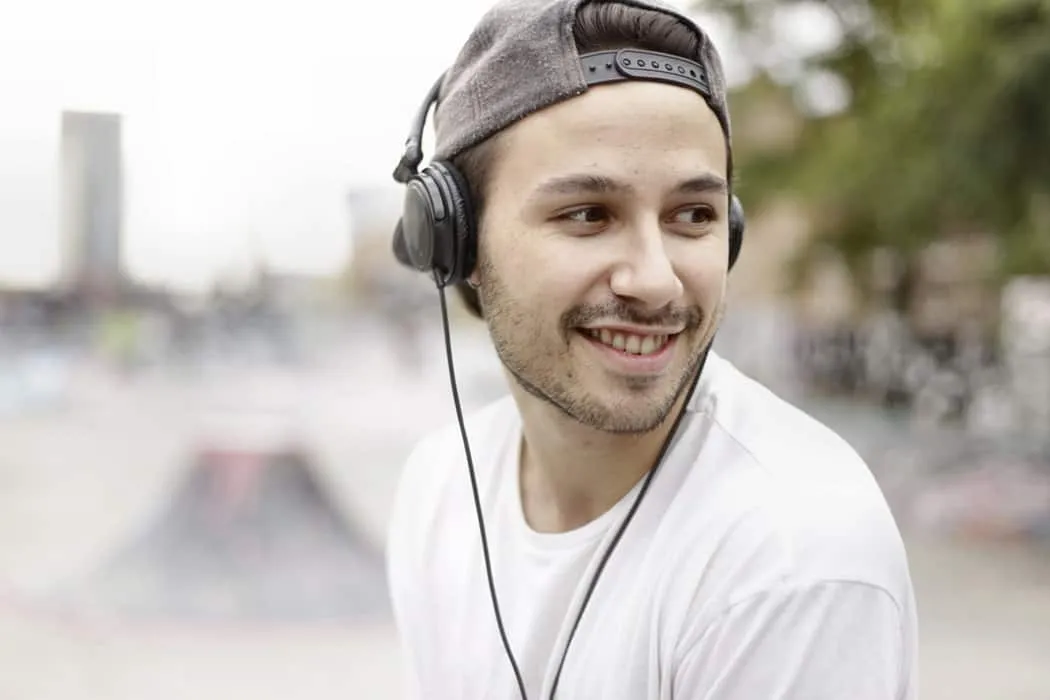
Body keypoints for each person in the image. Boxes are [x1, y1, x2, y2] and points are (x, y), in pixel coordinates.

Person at [385, 0, 919, 698]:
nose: (656, 280)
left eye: (692, 215)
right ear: (457, 244)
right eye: (588, 215)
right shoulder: (440, 489)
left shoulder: (794, 554)